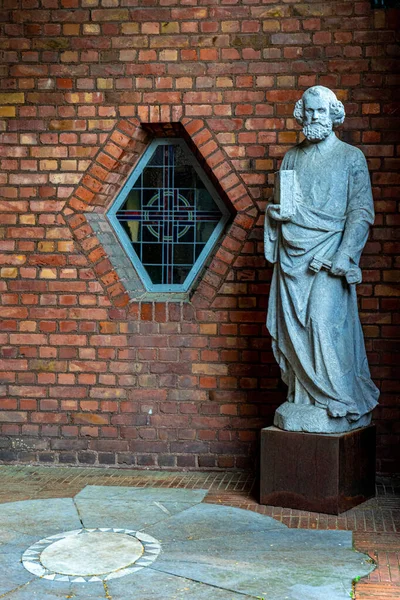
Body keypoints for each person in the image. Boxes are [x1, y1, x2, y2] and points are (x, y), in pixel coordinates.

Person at [264, 85, 379, 432]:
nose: (314, 117)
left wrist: (344, 255)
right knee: (293, 328)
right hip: (292, 257)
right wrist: (274, 216)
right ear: (302, 113)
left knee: (322, 324)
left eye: (321, 111)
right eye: (309, 111)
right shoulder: (291, 157)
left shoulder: (350, 157)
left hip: (328, 257)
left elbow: (360, 212)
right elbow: (281, 206)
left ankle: (338, 400)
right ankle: (303, 399)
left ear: (333, 115)